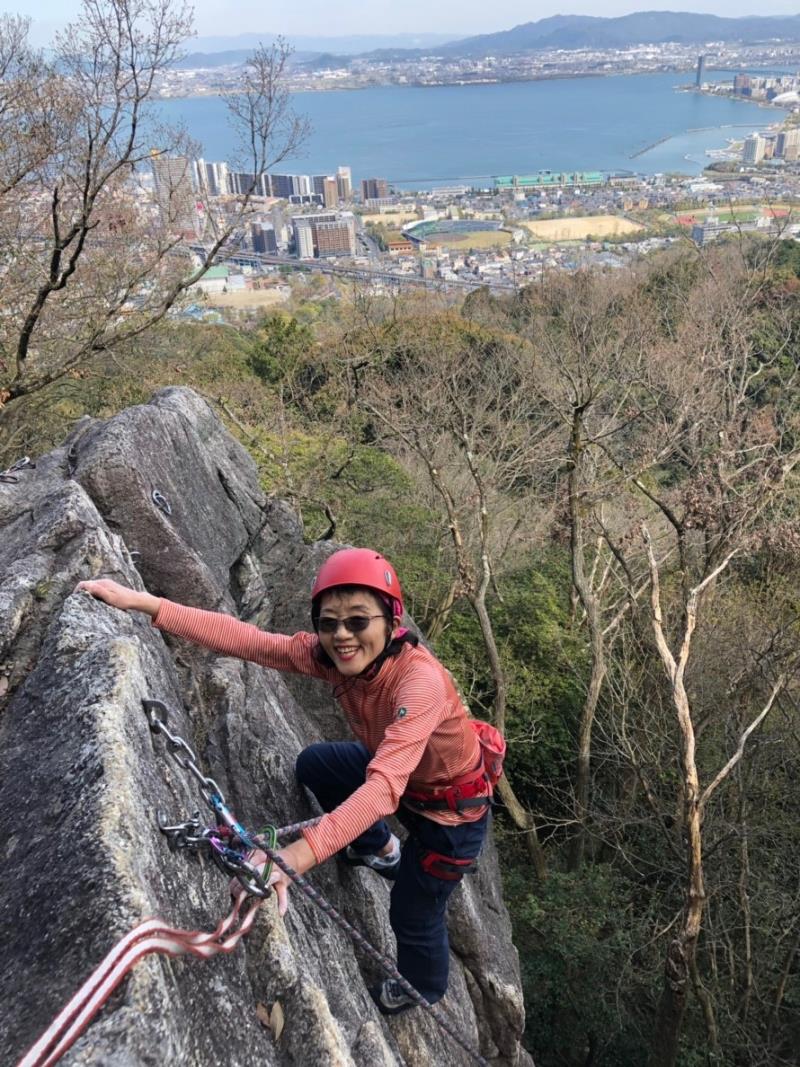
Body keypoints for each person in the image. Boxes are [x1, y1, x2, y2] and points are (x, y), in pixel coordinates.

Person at [77, 547, 496, 1014]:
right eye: (328, 623)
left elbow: (382, 790)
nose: (342, 635)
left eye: (358, 621)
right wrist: (147, 603)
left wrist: (292, 858)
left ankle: (422, 987)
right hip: (400, 770)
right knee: (316, 765)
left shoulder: (419, 684)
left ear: (392, 621)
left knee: (412, 910)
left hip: (449, 815)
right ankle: (379, 849)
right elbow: (251, 641)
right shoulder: (332, 657)